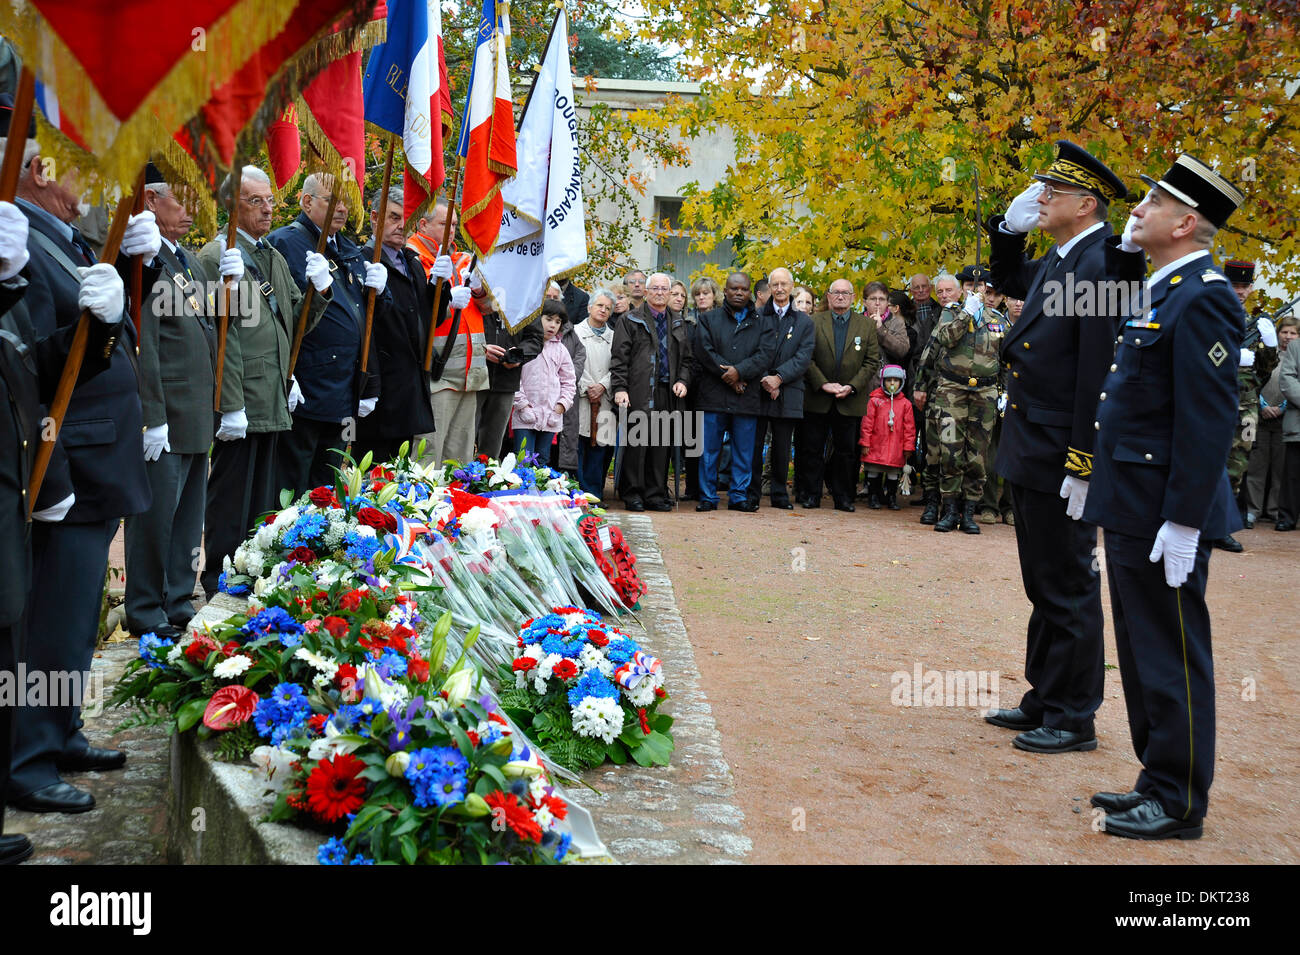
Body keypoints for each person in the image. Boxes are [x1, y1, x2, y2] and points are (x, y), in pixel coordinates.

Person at [1083, 153, 1246, 839]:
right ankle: (1156, 777)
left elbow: (1207, 421)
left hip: (1162, 509)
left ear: (1185, 222)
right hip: (1132, 499)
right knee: (1143, 643)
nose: (1136, 212)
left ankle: (1179, 799)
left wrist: (1184, 519)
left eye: (1151, 203)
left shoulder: (1204, 294)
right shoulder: (1162, 286)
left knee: (1172, 649)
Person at [8, 128, 162, 814]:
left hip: (100, 460)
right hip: (66, 462)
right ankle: (29, 758)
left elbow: (107, 328)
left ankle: (63, 729)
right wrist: (55, 474)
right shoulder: (20, 243)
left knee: (76, 618)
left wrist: (145, 272)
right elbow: (32, 374)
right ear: (39, 170)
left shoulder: (63, 238)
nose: (92, 181)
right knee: (49, 620)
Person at [981, 140, 1127, 753]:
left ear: (1086, 204)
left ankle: (1073, 715)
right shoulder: (1068, 258)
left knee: (1068, 580)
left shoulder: (1106, 264)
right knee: (1043, 579)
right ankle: (1046, 694)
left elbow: (1100, 370)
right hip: (1032, 440)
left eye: (1052, 193)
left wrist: (1084, 460)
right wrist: (1008, 233)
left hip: (1060, 449)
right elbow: (1013, 278)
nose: (1041, 199)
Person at [0, 195, 119, 855]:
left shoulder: (46, 243)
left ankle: (55, 734)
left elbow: (36, 364)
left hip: (42, 469)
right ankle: (31, 757)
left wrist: (102, 322)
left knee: (55, 625)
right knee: (34, 632)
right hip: (36, 469)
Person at [197, 165, 330, 599]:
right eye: (256, 201)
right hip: (242, 399)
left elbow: (296, 323)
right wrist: (229, 402)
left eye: (270, 200)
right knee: (231, 498)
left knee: (262, 500)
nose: (268, 209)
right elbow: (222, 337)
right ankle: (218, 581)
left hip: (272, 394)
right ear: (230, 206)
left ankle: (250, 577)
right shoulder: (217, 257)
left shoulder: (270, 255)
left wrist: (319, 290)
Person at [125, 165, 241, 641]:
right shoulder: (144, 260)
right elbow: (144, 344)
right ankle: (145, 606)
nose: (193, 211)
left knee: (186, 517)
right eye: (182, 201)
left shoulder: (188, 261)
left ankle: (176, 599)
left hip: (195, 416)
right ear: (151, 200)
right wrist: (151, 416)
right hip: (166, 417)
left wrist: (231, 288)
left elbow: (212, 330)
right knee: (155, 520)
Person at [268, 173, 387, 493]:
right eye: (333, 200)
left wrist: (382, 291)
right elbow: (281, 314)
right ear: (307, 202)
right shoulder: (286, 242)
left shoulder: (347, 248)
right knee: (292, 484)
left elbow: (366, 321)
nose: (343, 208)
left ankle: (314, 541)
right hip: (307, 382)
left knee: (326, 485)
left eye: (347, 201)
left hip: (342, 386)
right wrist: (286, 376)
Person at [356, 186, 459, 462]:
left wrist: (440, 286)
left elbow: (429, 321)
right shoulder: (362, 262)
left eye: (408, 217)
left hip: (409, 388)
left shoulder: (411, 263)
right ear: (375, 217)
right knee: (370, 479)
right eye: (393, 217)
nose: (402, 225)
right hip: (378, 391)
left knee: (398, 479)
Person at [407, 199, 489, 465]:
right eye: (444, 224)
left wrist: (479, 289)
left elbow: (490, 308)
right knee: (429, 453)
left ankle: (457, 504)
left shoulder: (464, 259)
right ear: (423, 224)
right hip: (437, 373)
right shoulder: (413, 258)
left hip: (469, 373)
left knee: (461, 454)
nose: (451, 230)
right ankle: (425, 506)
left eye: (454, 224)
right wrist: (444, 298)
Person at [926, 281, 1006, 533]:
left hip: (984, 394)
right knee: (950, 451)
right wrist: (966, 313)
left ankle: (970, 510)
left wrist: (1004, 391)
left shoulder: (998, 320)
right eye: (978, 287)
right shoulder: (952, 313)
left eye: (988, 289)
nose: (983, 293)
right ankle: (950, 510)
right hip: (953, 392)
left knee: (977, 455)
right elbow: (946, 338)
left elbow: (1005, 359)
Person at [797, 277, 882, 511]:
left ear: (853, 298)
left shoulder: (865, 325)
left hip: (850, 398)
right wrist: (823, 384)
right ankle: (811, 495)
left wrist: (852, 386)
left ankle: (843, 497)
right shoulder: (813, 322)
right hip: (818, 396)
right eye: (836, 292)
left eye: (846, 293)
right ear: (828, 296)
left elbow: (872, 361)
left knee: (846, 452)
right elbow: (806, 357)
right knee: (812, 449)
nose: (841, 296)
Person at [691, 272, 773, 511]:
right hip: (712, 396)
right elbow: (704, 352)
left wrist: (740, 372)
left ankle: (738, 496)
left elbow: (765, 354)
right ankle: (708, 497)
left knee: (744, 451)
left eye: (743, 289)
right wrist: (730, 377)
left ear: (750, 293)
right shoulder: (709, 320)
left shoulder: (762, 323)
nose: (739, 293)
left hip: (746, 396)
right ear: (724, 291)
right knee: (708, 452)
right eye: (734, 288)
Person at [610, 272, 691, 511]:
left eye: (664, 289)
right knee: (637, 445)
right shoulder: (630, 319)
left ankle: (655, 493)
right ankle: (633, 493)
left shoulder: (678, 321)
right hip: (639, 390)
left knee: (660, 445)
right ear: (646, 292)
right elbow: (619, 357)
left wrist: (683, 381)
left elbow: (687, 359)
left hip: (668, 390)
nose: (659, 292)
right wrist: (620, 388)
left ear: (669, 292)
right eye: (654, 288)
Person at [1214, 259, 1278, 545]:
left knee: (1237, 467)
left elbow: (1263, 374)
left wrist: (1270, 346)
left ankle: (1219, 527)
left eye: (1245, 286)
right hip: (1212, 402)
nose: (1240, 291)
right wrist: (1229, 359)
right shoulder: (1211, 314)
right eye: (1235, 285)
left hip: (1247, 408)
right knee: (1206, 461)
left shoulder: (1253, 322)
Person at [751, 267, 814, 509]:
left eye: (783, 284)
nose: (779, 289)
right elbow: (753, 351)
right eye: (774, 285)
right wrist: (766, 379)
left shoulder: (804, 322)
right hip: (758, 390)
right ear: (769, 288)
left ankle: (779, 494)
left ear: (791, 286)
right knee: (754, 446)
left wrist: (779, 378)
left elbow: (803, 356)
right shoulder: (757, 316)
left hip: (789, 391)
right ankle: (752, 493)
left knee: (781, 447)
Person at [912, 273, 962, 523]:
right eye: (940, 291)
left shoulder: (967, 315)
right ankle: (931, 502)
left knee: (952, 453)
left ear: (959, 292)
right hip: (934, 394)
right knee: (932, 452)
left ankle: (952, 506)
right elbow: (925, 356)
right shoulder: (933, 316)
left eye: (949, 291)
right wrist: (919, 385)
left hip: (960, 397)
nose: (944, 295)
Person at [1247, 315, 1298, 524]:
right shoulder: (1266, 354)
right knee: (1255, 466)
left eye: (1293, 333)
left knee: (1280, 469)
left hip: (1285, 420)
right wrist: (1263, 405)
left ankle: (1275, 510)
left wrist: (1282, 407)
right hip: (1259, 417)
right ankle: (1252, 510)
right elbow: (1252, 379)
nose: (1287, 337)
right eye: (1284, 332)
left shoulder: (1296, 357)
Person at [511, 300, 575, 461]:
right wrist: (523, 406)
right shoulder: (523, 344)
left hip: (551, 417)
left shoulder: (561, 350)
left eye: (558, 322)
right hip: (524, 415)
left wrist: (560, 407)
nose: (552, 325)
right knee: (523, 460)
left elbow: (569, 381)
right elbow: (514, 378)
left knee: (542, 462)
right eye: (548, 319)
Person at [478, 304, 543, 460]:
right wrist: (480, 349)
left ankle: (485, 478)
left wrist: (519, 354)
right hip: (474, 377)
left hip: (506, 380)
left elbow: (535, 338)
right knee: (462, 439)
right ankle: (456, 480)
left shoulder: (525, 298)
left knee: (491, 446)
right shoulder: (479, 288)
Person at [975, 281, 1014, 525]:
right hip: (987, 395)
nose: (991, 298)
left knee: (1012, 454)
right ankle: (988, 504)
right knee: (988, 455)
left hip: (1014, 396)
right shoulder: (976, 317)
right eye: (987, 293)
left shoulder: (1006, 323)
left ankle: (1009, 506)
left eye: (996, 294)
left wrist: (1009, 391)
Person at [575, 289, 618, 498]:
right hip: (580, 399)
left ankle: (594, 494)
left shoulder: (616, 337)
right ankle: (578, 495)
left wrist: (602, 385)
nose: (603, 310)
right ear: (589, 307)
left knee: (600, 449)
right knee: (578, 447)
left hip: (605, 400)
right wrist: (587, 386)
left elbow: (620, 366)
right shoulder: (574, 332)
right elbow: (569, 364)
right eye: (599, 305)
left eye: (608, 308)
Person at [859, 365, 916, 509]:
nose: (892, 383)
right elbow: (867, 424)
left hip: (895, 448)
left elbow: (909, 428)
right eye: (888, 380)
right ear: (882, 381)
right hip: (876, 445)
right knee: (873, 471)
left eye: (896, 380)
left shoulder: (906, 404)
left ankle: (891, 497)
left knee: (892, 474)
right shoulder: (874, 401)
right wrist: (865, 443)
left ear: (901, 382)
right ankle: (873, 496)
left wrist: (908, 447)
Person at [1277, 318, 1300, 532]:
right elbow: (1287, 378)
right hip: (1298, 422)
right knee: (1293, 473)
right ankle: (1287, 517)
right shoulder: (1295, 347)